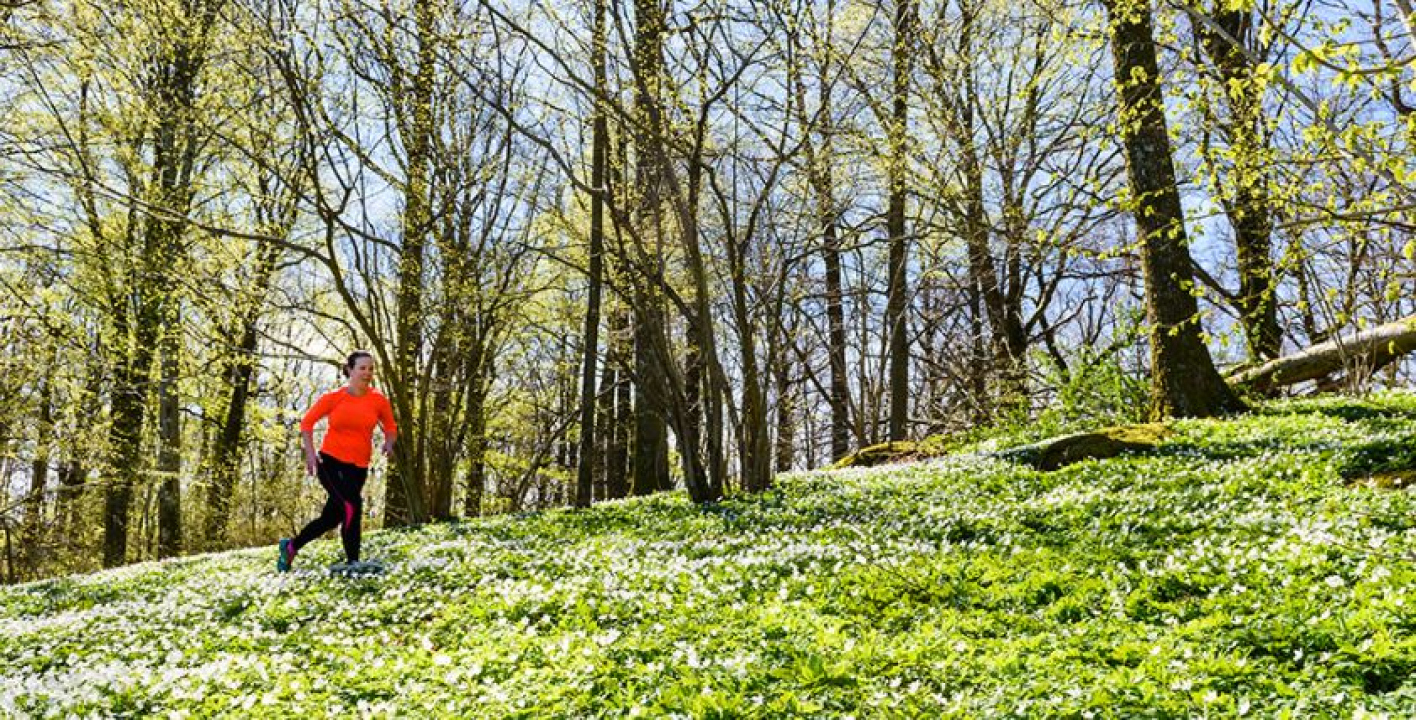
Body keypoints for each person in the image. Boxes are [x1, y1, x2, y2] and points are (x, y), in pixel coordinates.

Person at [277, 350, 396, 572]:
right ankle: (353, 561)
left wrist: (389, 443)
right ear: (349, 370)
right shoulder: (333, 398)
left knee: (331, 518)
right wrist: (311, 454)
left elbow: (390, 426)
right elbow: (307, 423)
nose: (367, 373)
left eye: (371, 369)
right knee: (352, 506)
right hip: (330, 463)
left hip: (358, 468)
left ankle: (291, 546)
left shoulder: (378, 401)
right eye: (362, 368)